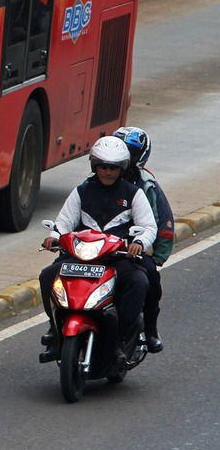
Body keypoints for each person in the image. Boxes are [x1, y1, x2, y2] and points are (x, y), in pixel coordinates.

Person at [38, 135, 157, 365]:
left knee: (139, 282)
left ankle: (121, 340)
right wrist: (54, 237)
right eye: (103, 166)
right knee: (47, 276)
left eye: (113, 167)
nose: (108, 171)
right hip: (81, 257)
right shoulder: (82, 191)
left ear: (122, 168)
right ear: (95, 165)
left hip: (117, 259)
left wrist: (139, 243)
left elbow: (149, 227)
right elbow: (63, 223)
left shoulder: (134, 194)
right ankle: (55, 330)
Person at [114, 125, 174, 352]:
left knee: (150, 280)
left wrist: (156, 254)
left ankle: (150, 329)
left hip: (133, 250)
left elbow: (164, 222)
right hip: (98, 248)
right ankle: (56, 329)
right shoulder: (94, 180)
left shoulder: (147, 186)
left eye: (129, 152)